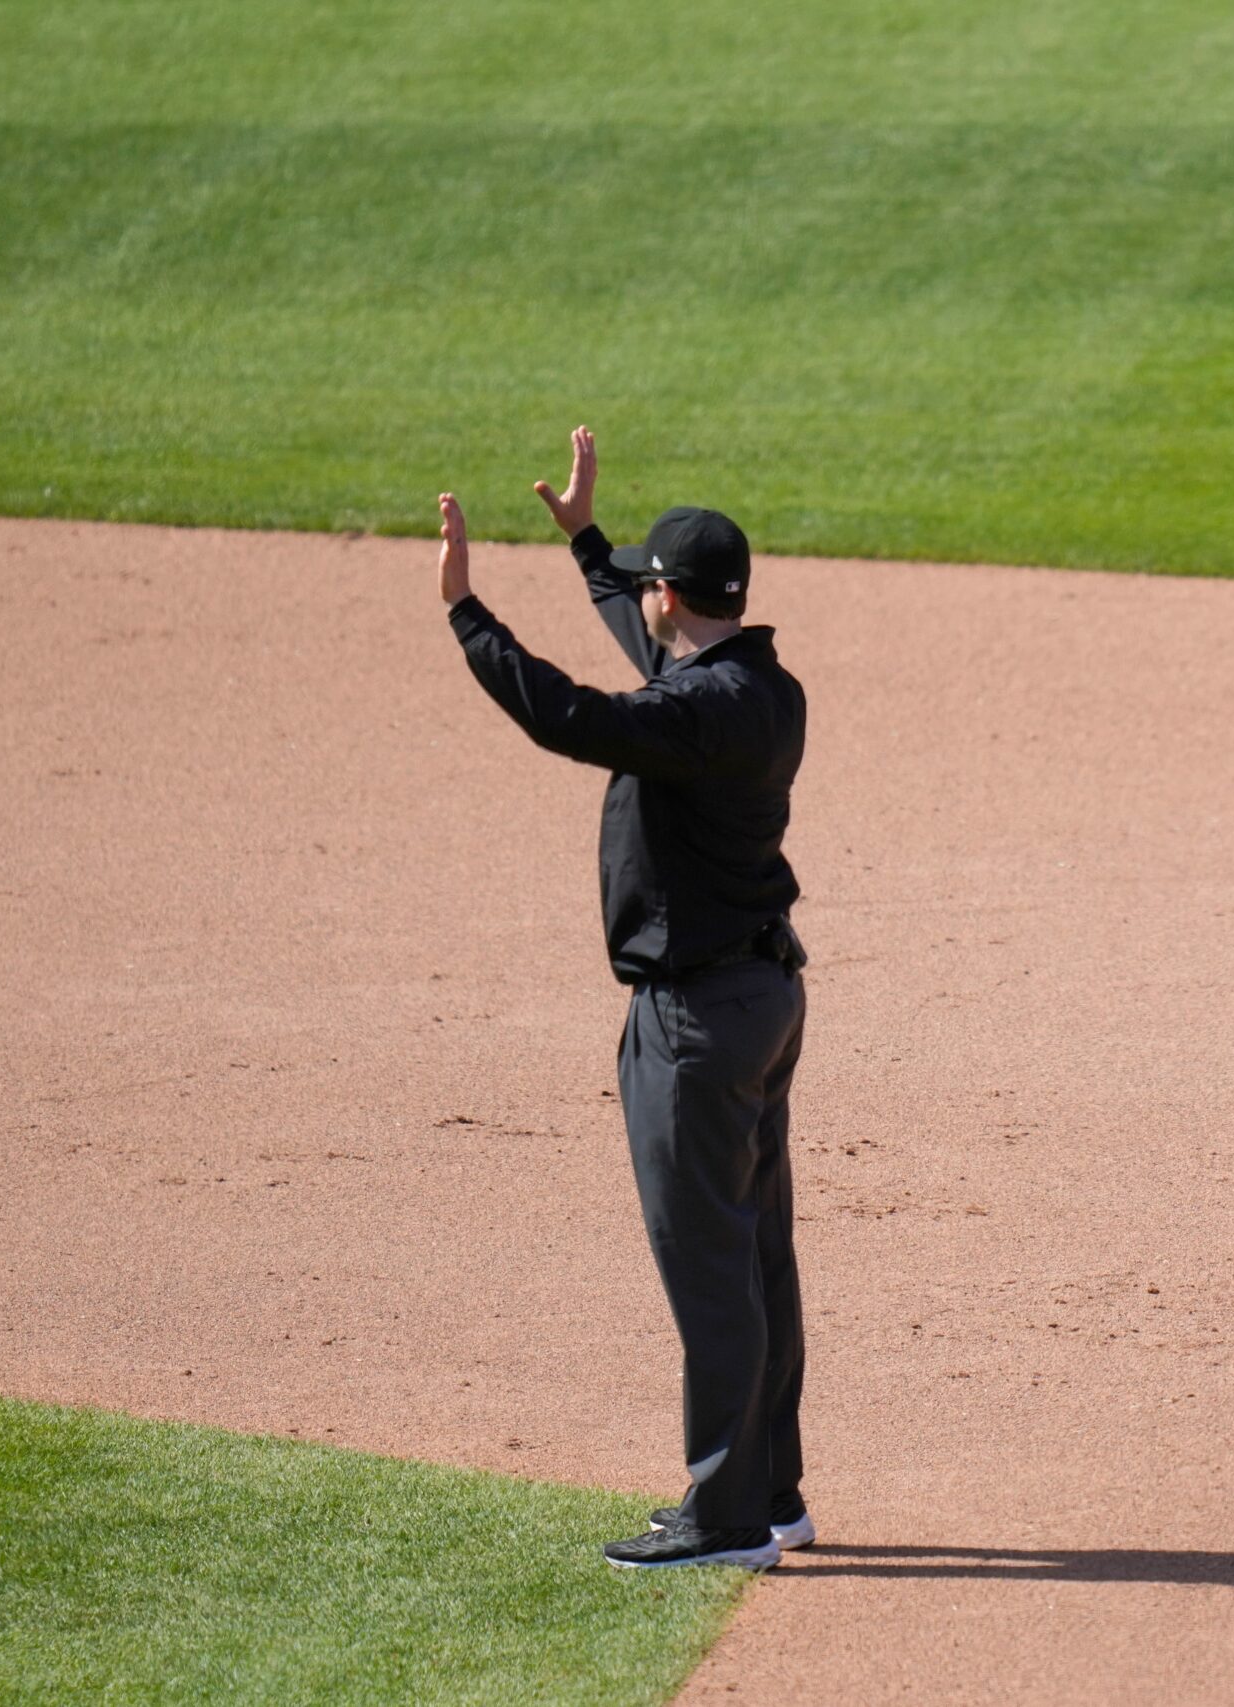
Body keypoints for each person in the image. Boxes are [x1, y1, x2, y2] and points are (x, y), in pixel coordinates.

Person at [436, 426, 813, 1569]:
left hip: (695, 1024)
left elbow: (573, 715)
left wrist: (467, 614)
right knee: (756, 1262)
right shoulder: (756, 686)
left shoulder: (692, 714)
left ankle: (725, 1518)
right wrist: (590, 547)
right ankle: (772, 1494)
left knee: (710, 1265)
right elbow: (656, 668)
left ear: (669, 598)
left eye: (645, 583)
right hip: (758, 997)